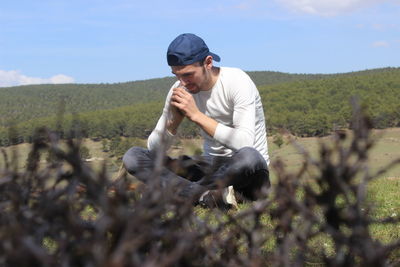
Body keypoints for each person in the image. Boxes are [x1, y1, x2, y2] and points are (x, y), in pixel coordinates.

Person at [123, 33, 270, 208]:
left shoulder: (237, 81)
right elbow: (154, 150)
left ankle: (184, 193)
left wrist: (196, 116)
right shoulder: (178, 90)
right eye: (177, 75)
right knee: (133, 157)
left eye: (188, 75)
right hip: (210, 167)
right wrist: (173, 123)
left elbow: (246, 143)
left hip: (247, 173)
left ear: (208, 63)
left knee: (249, 157)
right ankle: (207, 196)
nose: (182, 82)